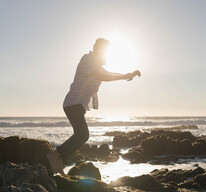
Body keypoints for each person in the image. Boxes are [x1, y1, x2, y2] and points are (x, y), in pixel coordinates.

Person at [47, 38, 141, 174]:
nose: (107, 57)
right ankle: (54, 156)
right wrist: (124, 76)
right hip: (72, 103)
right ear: (99, 51)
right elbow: (103, 76)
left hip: (77, 105)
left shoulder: (95, 64)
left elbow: (108, 73)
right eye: (105, 53)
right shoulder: (88, 60)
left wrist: (127, 75)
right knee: (83, 135)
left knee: (80, 135)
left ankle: (58, 160)